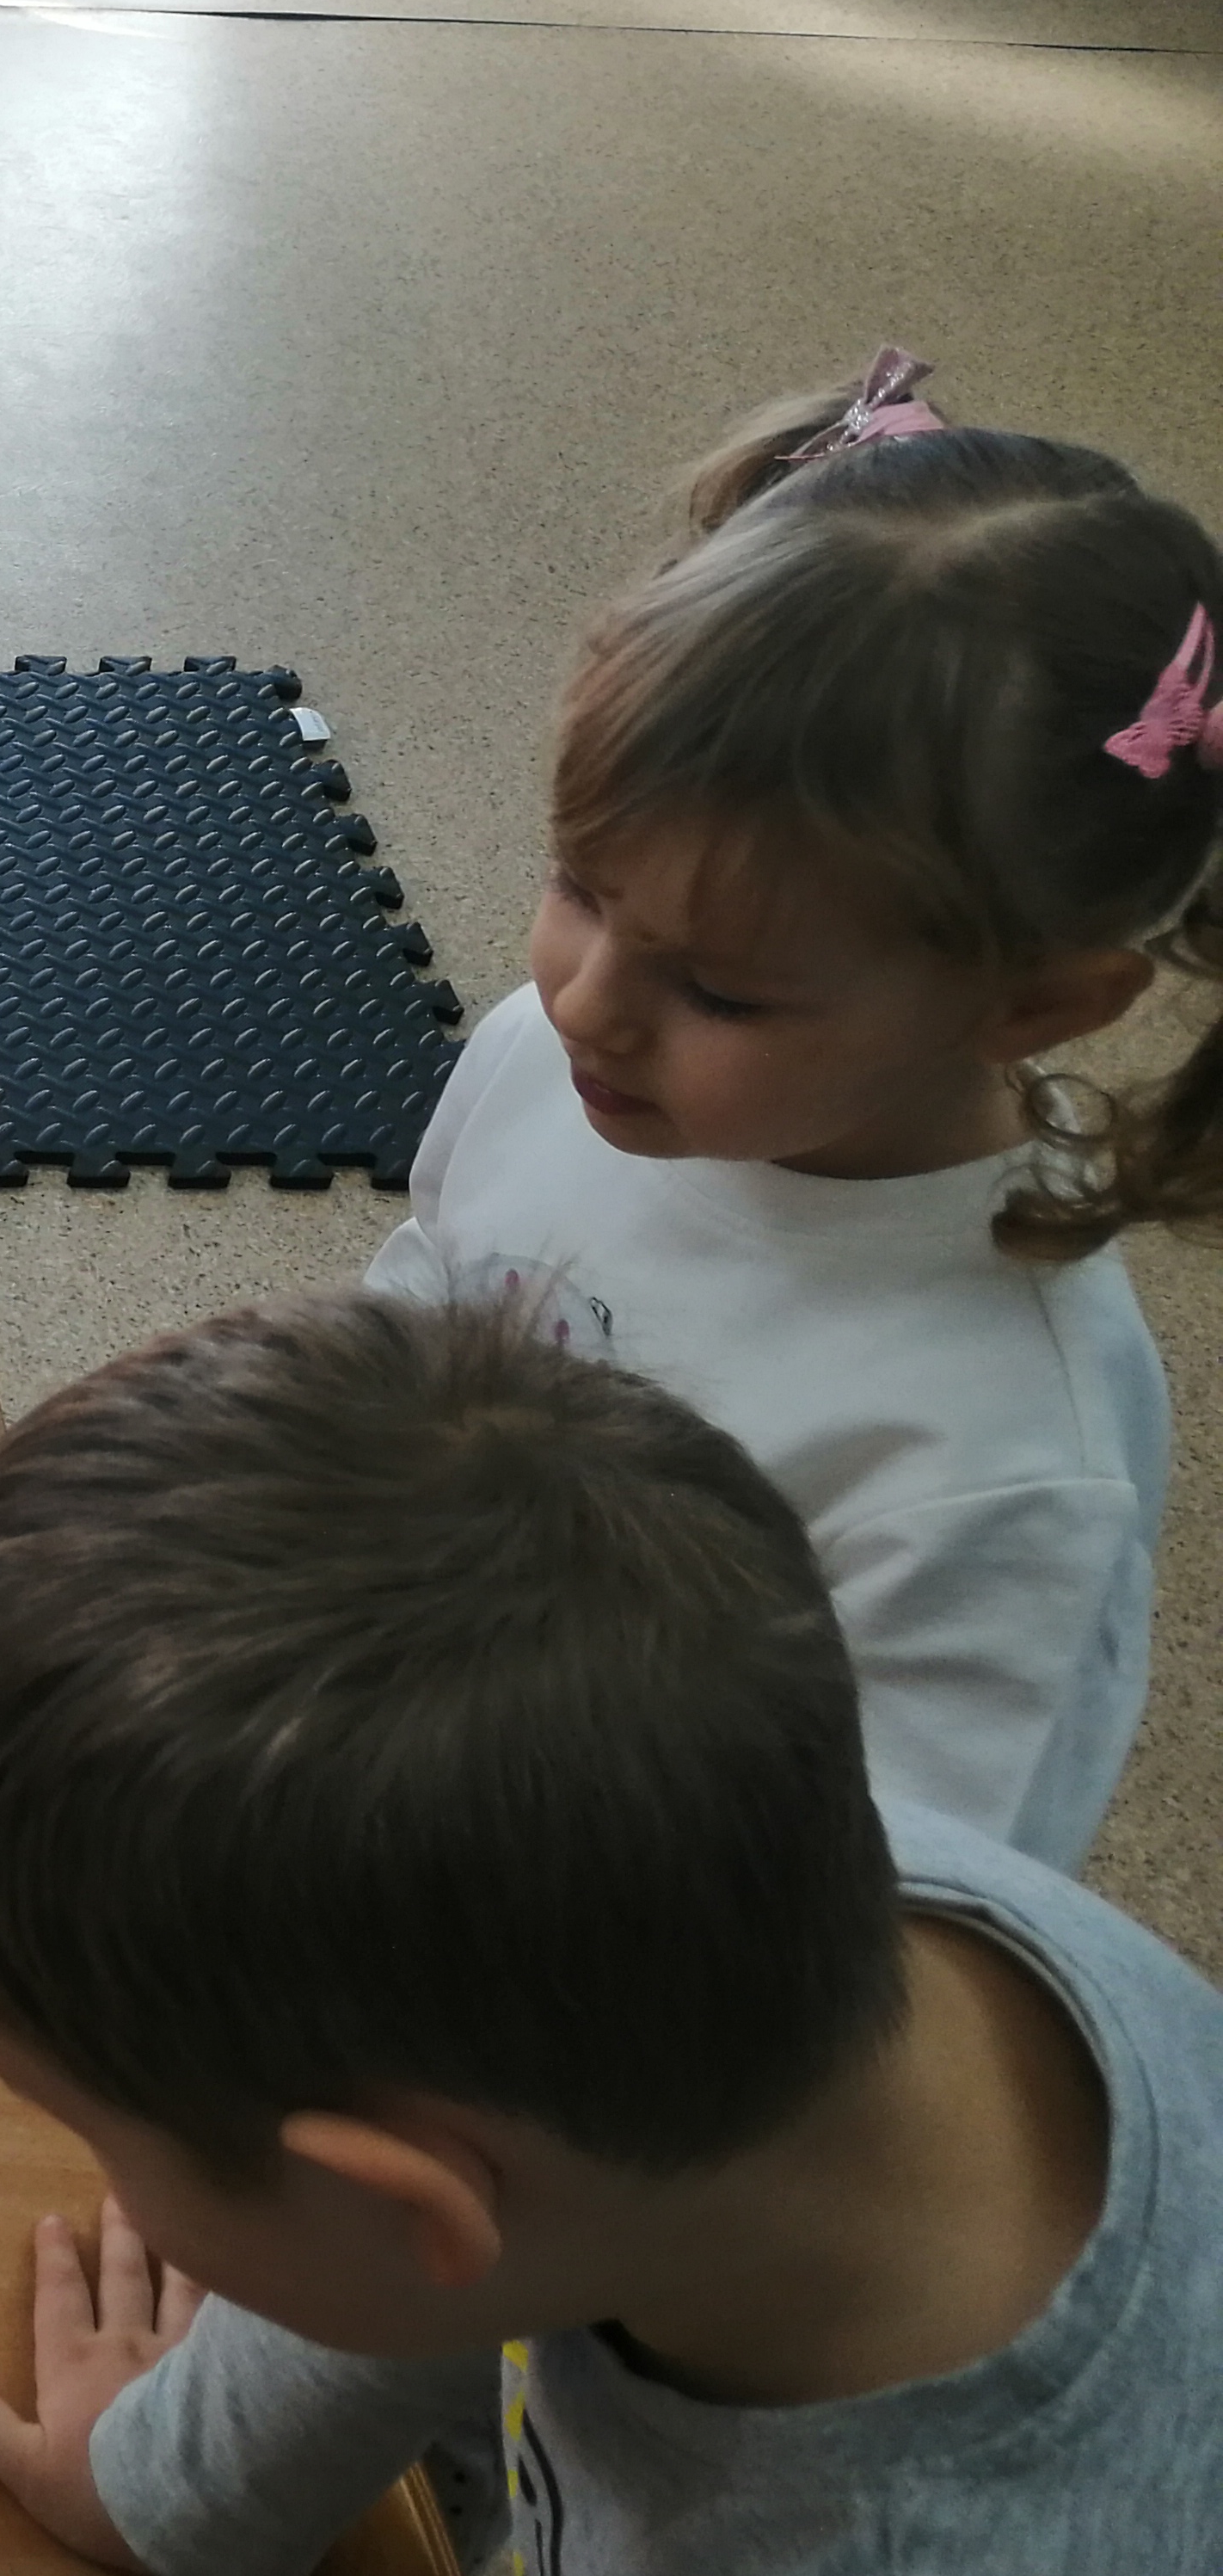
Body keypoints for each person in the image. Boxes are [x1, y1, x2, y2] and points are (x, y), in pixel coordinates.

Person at [0, 1289, 1223, 2576]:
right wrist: (168, 2485)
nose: (87, 2164)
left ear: (408, 2200)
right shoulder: (786, 1883)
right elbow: (429, 2249)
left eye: (83, 2125)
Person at [370, 351, 1205, 1866]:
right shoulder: (561, 1057)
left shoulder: (1004, 1467)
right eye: (579, 888)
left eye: (721, 992)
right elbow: (425, 1292)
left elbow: (912, 1910)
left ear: (1035, 1005)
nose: (585, 1000)